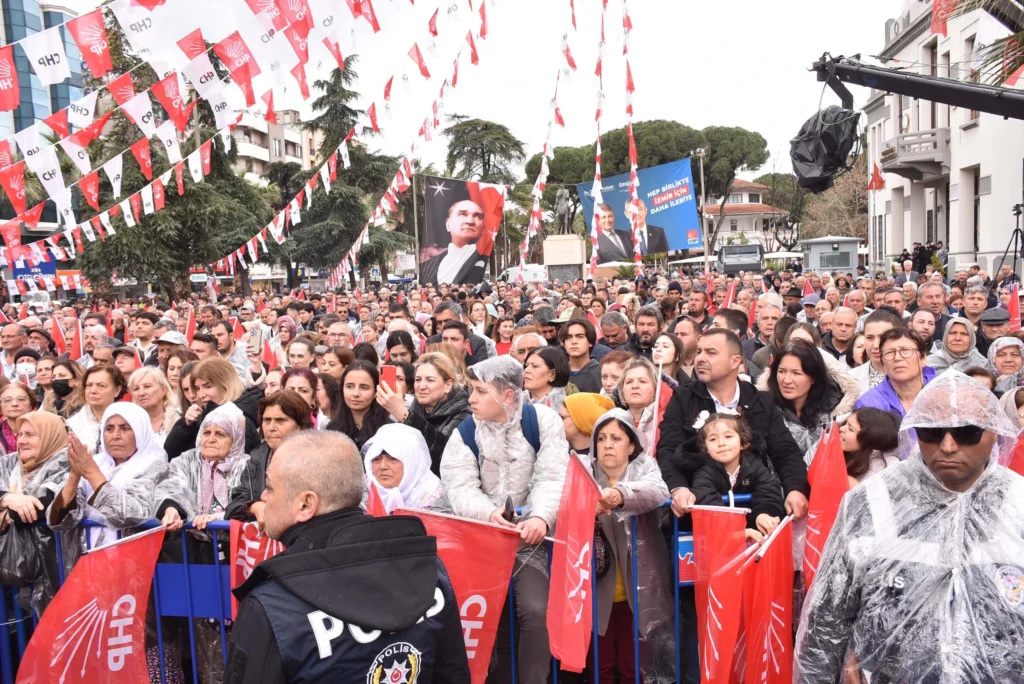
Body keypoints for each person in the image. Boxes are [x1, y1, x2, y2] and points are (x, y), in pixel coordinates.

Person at [796, 370, 1024, 682]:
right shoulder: (871, 502)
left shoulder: (1018, 504)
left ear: (994, 432)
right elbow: (827, 619)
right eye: (932, 432)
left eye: (966, 432)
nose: (947, 446)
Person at [226, 431, 471, 683]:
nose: (264, 498)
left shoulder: (270, 606)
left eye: (269, 488)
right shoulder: (427, 570)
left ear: (305, 504)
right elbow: (454, 674)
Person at [440, 355, 568, 684]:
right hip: (481, 539)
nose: (471, 398)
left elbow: (552, 477)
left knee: (536, 612)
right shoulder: (465, 431)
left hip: (530, 541)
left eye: (480, 391)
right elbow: (459, 486)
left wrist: (540, 517)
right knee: (478, 616)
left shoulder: (542, 421)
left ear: (507, 395)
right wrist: (488, 514)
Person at [589, 409, 673, 684]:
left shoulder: (645, 467)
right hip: (596, 591)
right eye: (601, 438)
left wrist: (621, 494)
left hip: (636, 593)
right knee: (600, 668)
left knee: (632, 667)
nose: (608, 444)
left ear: (632, 445)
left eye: (616, 438)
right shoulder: (583, 471)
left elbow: (658, 491)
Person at [50, 403, 170, 548]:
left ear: (140, 432)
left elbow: (128, 515)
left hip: (132, 559)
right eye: (109, 428)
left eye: (125, 428)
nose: (115, 436)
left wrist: (92, 473)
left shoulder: (155, 466)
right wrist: (75, 476)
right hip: (87, 560)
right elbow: (59, 520)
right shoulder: (97, 462)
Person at [0, 411, 75, 613]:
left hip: (56, 567)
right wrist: (8, 498)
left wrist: (8, 515)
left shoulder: (65, 462)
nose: (22, 441)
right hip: (16, 573)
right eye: (20, 434)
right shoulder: (9, 463)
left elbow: (47, 504)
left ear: (50, 436)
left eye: (31, 435)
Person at [691, 413, 785, 542]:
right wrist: (736, 532)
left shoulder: (755, 466)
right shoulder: (704, 473)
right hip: (717, 541)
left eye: (728, 436)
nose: (721, 443)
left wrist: (763, 515)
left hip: (754, 538)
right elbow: (708, 506)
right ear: (705, 448)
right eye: (713, 439)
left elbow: (769, 492)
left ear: (743, 442)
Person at [225, 390, 314, 524]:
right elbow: (233, 508)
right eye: (267, 420)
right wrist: (254, 507)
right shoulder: (256, 458)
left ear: (299, 425)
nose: (271, 428)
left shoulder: (317, 458)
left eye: (280, 420)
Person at [376, 353, 471, 475]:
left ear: (448, 385)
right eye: (418, 379)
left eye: (430, 380)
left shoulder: (464, 412)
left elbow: (444, 453)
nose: (421, 386)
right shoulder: (417, 406)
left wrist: (403, 414)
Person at [761, 339, 860, 457]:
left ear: (813, 377)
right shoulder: (764, 408)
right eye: (782, 371)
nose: (786, 380)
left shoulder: (837, 411)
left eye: (796, 373)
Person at [163, 357, 262, 460]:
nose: (200, 395)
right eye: (197, 388)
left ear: (225, 384)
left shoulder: (240, 421)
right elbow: (171, 454)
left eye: (208, 386)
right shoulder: (205, 415)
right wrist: (186, 425)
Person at [363, 423, 448, 513]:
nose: (382, 466)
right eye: (376, 459)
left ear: (412, 463)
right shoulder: (361, 493)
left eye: (392, 459)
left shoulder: (433, 497)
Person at [856, 328, 938, 417]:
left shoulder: (944, 394)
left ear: (923, 358)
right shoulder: (869, 405)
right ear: (883, 362)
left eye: (906, 350)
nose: (897, 358)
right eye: (889, 352)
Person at [419, 194, 489, 285]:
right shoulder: (429, 265)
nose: (470, 221)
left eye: (478, 216)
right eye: (462, 214)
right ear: (448, 224)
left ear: (483, 229)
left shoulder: (483, 260)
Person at [617, 356, 677, 460]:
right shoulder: (613, 421)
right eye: (629, 382)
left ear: (656, 389)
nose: (635, 386)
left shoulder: (668, 423)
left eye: (642, 381)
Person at [329, 361, 391, 449]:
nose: (355, 393)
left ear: (376, 392)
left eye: (364, 387)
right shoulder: (332, 428)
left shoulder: (388, 430)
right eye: (350, 386)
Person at [66, 364, 126, 454]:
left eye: (101, 386)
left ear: (117, 390)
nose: (93, 391)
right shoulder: (72, 424)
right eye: (89, 385)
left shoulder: (129, 420)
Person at [838, 407, 900, 486]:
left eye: (850, 429)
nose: (841, 428)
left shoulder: (877, 474)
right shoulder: (831, 444)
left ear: (869, 441)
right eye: (846, 423)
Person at [849, 308, 903, 396]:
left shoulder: (918, 377)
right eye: (870, 338)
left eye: (883, 337)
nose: (876, 345)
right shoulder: (850, 378)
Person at [129, 366, 180, 446]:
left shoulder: (178, 421)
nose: (141, 393)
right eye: (136, 389)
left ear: (163, 390)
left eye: (147, 386)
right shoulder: (129, 424)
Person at [559, 392, 616, 459]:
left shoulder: (601, 461)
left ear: (582, 421)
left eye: (562, 417)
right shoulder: (559, 451)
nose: (558, 421)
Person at [523, 346, 571, 411]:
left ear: (552, 374)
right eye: (526, 365)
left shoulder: (568, 408)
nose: (526, 370)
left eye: (535, 366)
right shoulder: (514, 403)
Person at [560, 317, 602, 393]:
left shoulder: (601, 373)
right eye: (568, 337)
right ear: (563, 343)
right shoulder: (557, 373)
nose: (574, 341)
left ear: (590, 342)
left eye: (580, 336)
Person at [0, 383, 36, 455]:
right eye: (7, 400)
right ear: (1, 408)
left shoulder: (42, 430)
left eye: (21, 399)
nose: (14, 404)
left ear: (30, 405)